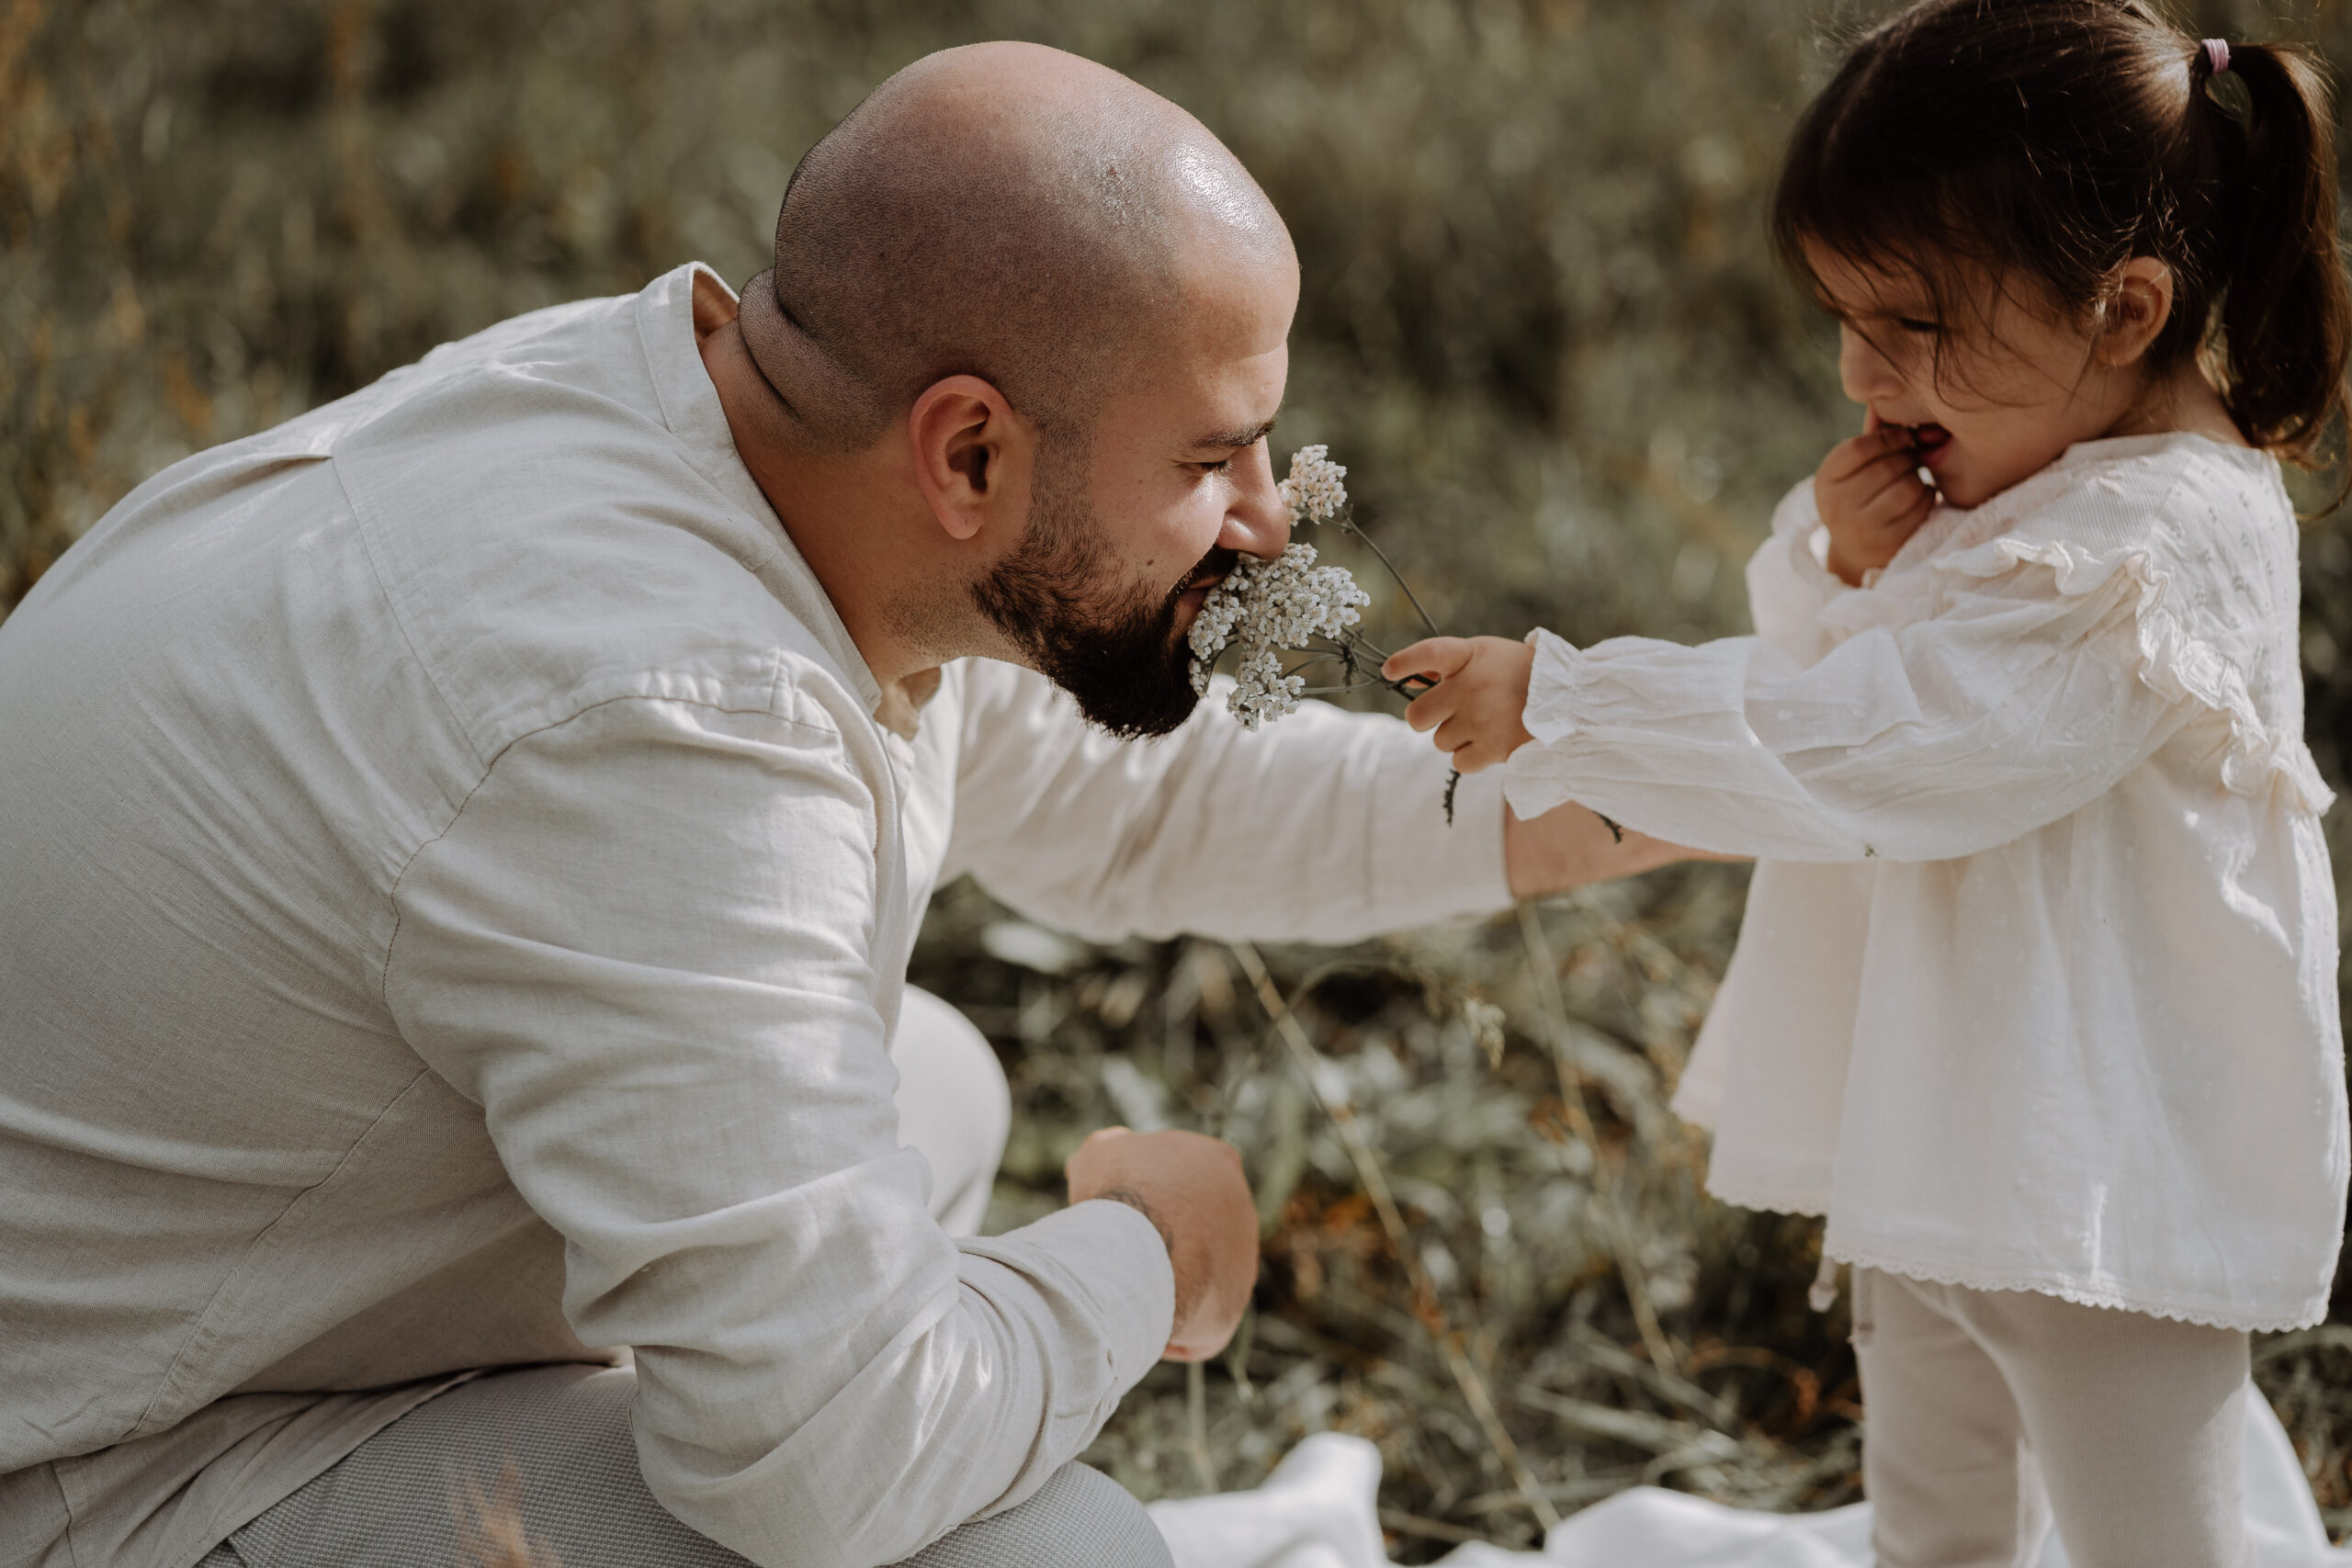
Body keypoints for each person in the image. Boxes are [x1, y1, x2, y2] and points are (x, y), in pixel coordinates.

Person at [0, 40, 1680, 1568]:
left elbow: (1123, 808)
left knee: (926, 1080)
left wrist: (1667, 770)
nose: (1264, 518)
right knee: (1065, 1562)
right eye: (1209, 460)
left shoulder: (715, 432)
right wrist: (1142, 1253)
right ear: (968, 455)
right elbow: (822, 1470)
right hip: (109, 1466)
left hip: (249, 1295)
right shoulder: (660, 714)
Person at [1383, 4, 2347, 1565]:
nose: (1856, 369)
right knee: (1936, 1533)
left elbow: (1895, 754)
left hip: (2098, 1182)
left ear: (2124, 307)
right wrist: (1854, 561)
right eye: (1841, 315)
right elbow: (1858, 690)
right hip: (1941, 1136)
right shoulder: (2031, 466)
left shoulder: (2159, 540)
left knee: (2157, 1550)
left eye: (1907, 322)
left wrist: (1573, 701)